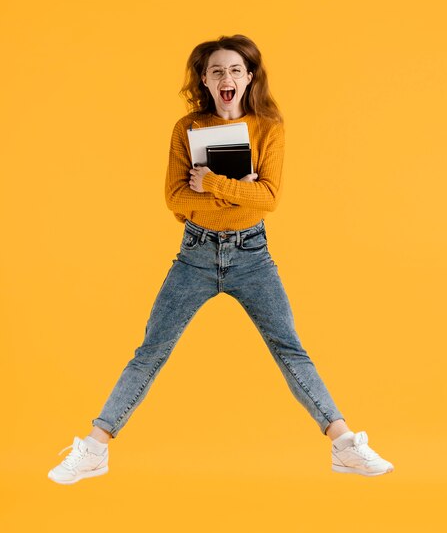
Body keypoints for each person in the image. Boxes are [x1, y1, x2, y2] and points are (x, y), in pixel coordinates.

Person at [48, 34, 394, 485]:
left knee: (290, 349)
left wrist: (210, 182)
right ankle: (94, 450)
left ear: (249, 77)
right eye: (216, 71)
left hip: (253, 255)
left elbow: (267, 199)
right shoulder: (186, 129)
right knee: (150, 351)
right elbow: (175, 200)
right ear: (205, 81)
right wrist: (238, 188)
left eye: (234, 69)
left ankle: (345, 446)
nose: (226, 77)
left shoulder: (269, 127)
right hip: (195, 254)